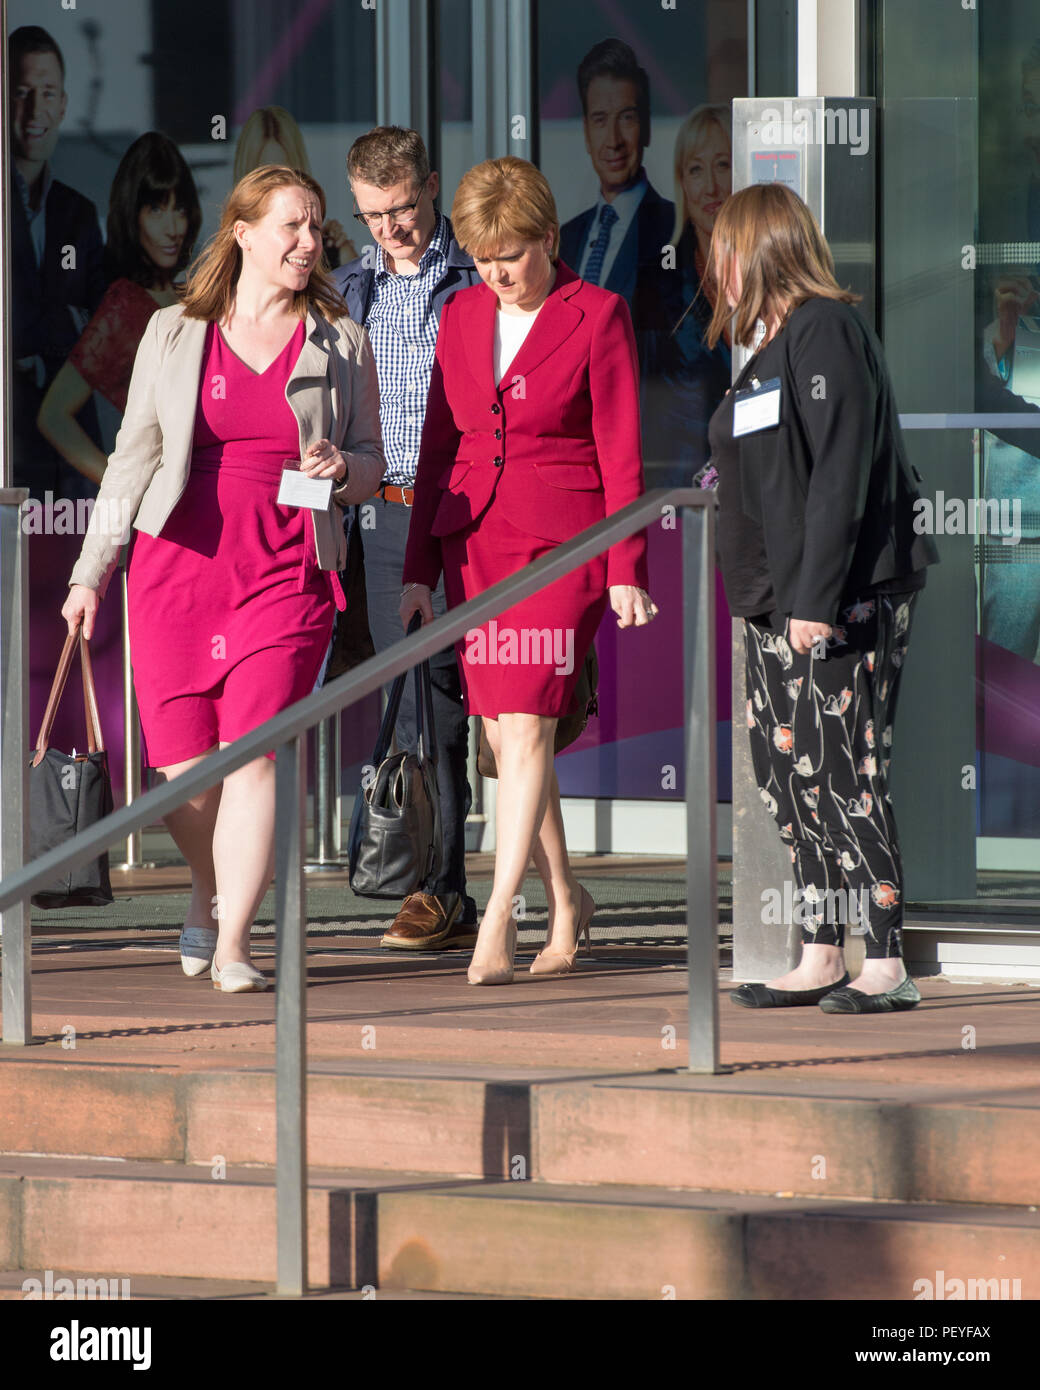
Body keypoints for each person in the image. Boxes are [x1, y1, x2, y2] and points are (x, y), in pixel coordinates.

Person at [61, 166, 385, 993]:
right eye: (291, 226)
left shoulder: (340, 338)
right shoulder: (173, 331)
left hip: (285, 566)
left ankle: (236, 938)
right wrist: (91, 570)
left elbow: (374, 467)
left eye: (316, 227)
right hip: (176, 567)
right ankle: (209, 888)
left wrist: (341, 464)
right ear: (242, 233)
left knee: (253, 756)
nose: (309, 242)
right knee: (181, 770)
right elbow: (132, 460)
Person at [401, 156, 657, 986]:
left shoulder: (599, 313)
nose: (498, 272)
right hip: (474, 543)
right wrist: (416, 570)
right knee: (509, 734)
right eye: (482, 257)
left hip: (563, 545)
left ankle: (499, 916)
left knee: (530, 723)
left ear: (550, 237)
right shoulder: (460, 315)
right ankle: (568, 897)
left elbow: (622, 450)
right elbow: (437, 447)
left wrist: (627, 565)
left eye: (512, 253)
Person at [707, 184, 939, 1015]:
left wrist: (816, 598)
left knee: (847, 769)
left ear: (761, 248)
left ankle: (886, 963)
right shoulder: (768, 345)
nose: (714, 266)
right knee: (784, 773)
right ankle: (821, 948)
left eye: (725, 248)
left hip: (837, 597)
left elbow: (840, 476)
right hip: (775, 605)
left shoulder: (826, 329)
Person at [333, 127, 483, 953]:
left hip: (469, 510)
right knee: (421, 705)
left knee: (489, 703)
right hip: (386, 516)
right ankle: (439, 887)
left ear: (432, 186)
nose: (390, 228)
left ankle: (535, 887)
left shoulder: (475, 274)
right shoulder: (349, 288)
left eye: (402, 209)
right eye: (372, 215)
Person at [38, 132, 201, 483]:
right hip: (160, 504)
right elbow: (53, 416)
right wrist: (122, 487)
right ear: (133, 215)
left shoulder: (193, 295)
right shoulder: (123, 305)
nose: (173, 227)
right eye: (156, 209)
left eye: (180, 209)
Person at [9, 25, 106, 501]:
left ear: (64, 105)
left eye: (46, 93)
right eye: (21, 93)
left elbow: (102, 329)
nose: (34, 110)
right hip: (9, 443)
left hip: (72, 452)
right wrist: (61, 328)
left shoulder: (79, 213)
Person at [636, 104, 733, 487]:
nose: (710, 186)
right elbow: (647, 410)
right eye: (696, 170)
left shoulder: (771, 273)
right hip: (681, 492)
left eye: (723, 165)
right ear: (682, 183)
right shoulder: (657, 286)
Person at [558, 38, 674, 309]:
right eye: (600, 120)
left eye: (626, 118)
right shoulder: (566, 238)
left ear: (646, 128)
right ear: (587, 133)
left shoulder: (677, 230)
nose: (613, 140)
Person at [234, 106, 358, 269]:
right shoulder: (229, 259)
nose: (277, 188)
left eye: (285, 176)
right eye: (265, 178)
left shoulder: (331, 252)